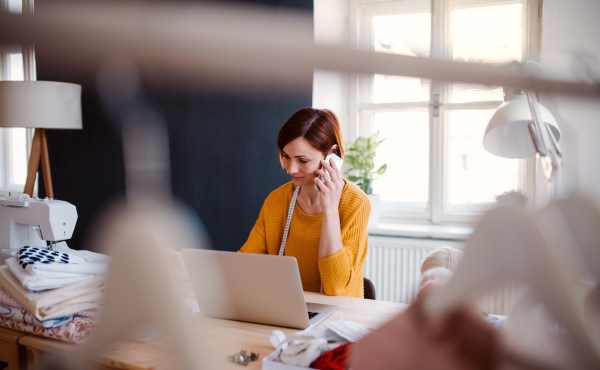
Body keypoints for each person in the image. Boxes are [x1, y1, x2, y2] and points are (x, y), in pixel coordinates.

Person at [238, 108, 370, 298]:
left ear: (331, 155)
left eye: (303, 160)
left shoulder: (356, 204)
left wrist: (330, 209)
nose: (291, 169)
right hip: (287, 311)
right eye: (286, 156)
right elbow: (246, 263)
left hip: (338, 318)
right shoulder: (276, 200)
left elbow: (335, 287)